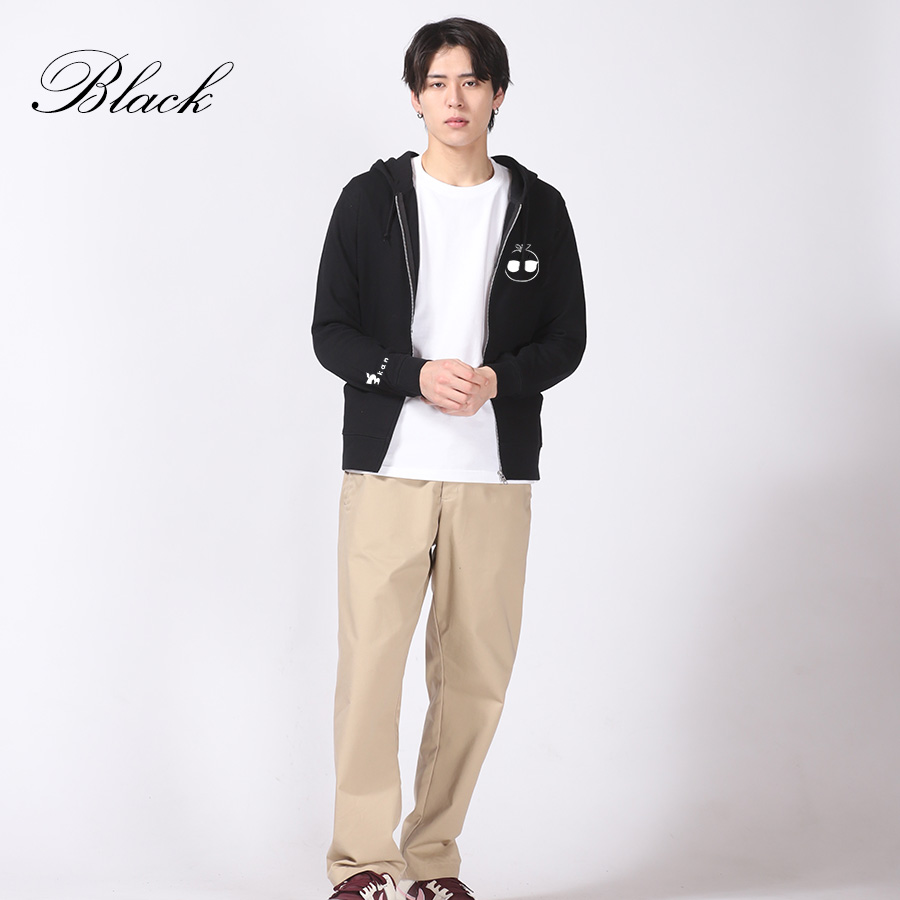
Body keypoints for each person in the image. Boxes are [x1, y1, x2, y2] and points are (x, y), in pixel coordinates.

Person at [312, 17, 586, 900]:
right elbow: (330, 332)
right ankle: (363, 863)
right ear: (416, 97)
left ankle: (432, 863)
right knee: (370, 673)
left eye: (471, 81)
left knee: (475, 680)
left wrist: (496, 380)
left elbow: (567, 340)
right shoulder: (371, 200)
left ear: (498, 94)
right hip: (387, 470)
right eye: (437, 83)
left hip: (494, 476)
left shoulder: (538, 206)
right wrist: (411, 374)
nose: (454, 98)